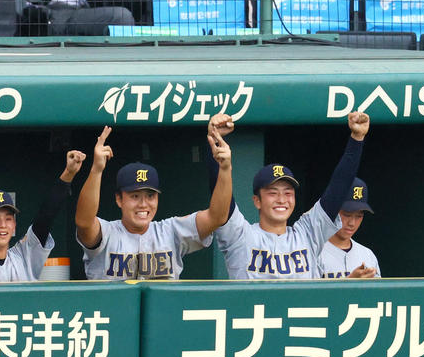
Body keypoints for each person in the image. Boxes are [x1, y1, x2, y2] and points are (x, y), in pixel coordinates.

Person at [207, 112, 370, 279]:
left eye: (288, 193)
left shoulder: (308, 234)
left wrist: (356, 139)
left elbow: (338, 188)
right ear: (257, 201)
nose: (282, 199)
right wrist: (215, 140)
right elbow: (222, 201)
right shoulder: (241, 236)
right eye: (273, 193)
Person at [75, 124, 232, 280]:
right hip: (113, 305)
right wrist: (96, 170)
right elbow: (84, 222)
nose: (143, 204)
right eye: (135, 196)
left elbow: (217, 217)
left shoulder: (170, 231)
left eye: (150, 196)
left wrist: (225, 169)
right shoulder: (108, 233)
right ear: (119, 199)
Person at [0, 149, 84, 282]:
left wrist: (68, 174)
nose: (3, 225)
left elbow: (45, 218)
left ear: (14, 225)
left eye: (8, 218)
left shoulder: (24, 257)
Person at [319, 178, 379, 279]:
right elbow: (308, 294)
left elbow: (379, 294)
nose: (352, 223)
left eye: (358, 216)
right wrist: (351, 282)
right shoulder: (313, 253)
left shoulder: (368, 255)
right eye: (346, 214)